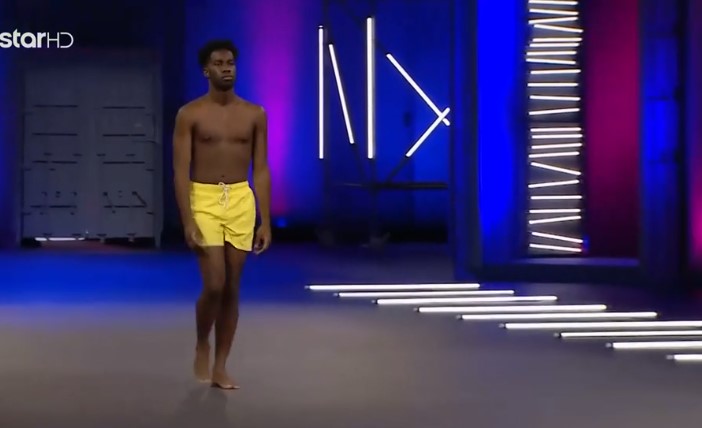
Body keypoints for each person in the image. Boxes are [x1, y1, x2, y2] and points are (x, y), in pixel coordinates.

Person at [172, 39, 272, 390]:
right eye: (219, 63)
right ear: (206, 70)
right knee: (214, 283)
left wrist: (266, 220)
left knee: (232, 286)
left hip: (241, 198)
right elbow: (180, 170)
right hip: (204, 197)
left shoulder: (255, 114)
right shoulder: (190, 114)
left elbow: (261, 169)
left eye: (230, 62)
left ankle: (221, 365)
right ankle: (202, 341)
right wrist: (187, 219)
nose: (226, 68)